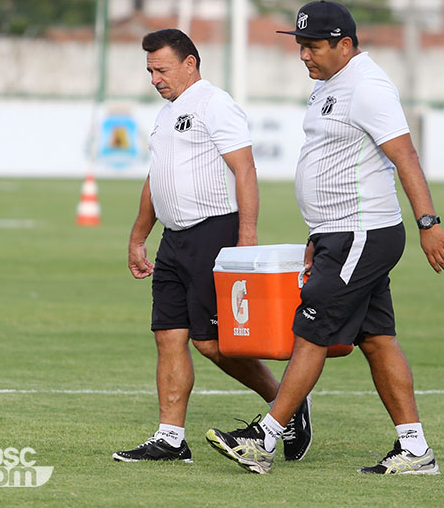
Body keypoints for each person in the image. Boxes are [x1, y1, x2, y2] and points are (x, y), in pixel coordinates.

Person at [205, 1, 444, 475]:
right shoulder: (329, 85)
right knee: (378, 339)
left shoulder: (368, 87)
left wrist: (429, 223)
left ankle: (265, 438)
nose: (304, 55)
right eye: (300, 45)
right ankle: (415, 449)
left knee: (311, 328)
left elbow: (405, 157)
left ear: (345, 44)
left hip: (363, 232)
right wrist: (316, 235)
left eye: (313, 46)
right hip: (338, 235)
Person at [113, 28, 312, 464]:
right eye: (149, 70)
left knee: (210, 343)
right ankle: (169, 439)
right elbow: (156, 179)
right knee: (167, 336)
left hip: (212, 234)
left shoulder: (214, 103)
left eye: (161, 69)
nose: (154, 79)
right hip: (173, 240)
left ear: (190, 63)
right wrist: (138, 236)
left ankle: (287, 403)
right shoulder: (166, 114)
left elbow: (244, 170)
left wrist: (246, 239)